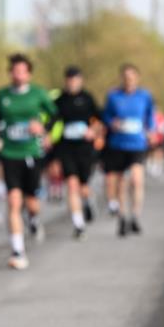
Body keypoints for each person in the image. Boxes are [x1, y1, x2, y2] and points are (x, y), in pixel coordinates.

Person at [0, 53, 57, 269]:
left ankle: (34, 218)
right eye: (15, 71)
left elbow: (55, 115)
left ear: (29, 74)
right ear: (10, 73)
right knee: (13, 201)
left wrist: (44, 129)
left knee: (31, 201)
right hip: (9, 153)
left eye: (22, 71)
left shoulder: (38, 94)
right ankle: (18, 251)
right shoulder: (2, 95)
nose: (18, 75)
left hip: (31, 152)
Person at [102, 63, 155, 237]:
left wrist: (151, 131)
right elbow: (106, 115)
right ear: (122, 79)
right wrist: (112, 123)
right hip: (118, 144)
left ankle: (135, 216)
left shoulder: (145, 96)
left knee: (137, 180)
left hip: (137, 144)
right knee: (121, 183)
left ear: (137, 78)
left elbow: (150, 116)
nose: (129, 80)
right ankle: (122, 217)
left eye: (132, 77)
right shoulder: (113, 96)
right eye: (126, 77)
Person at [54, 66, 101, 240]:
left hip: (85, 148)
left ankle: (88, 201)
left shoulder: (87, 98)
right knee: (71, 185)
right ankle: (78, 224)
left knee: (84, 187)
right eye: (69, 80)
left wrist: (92, 131)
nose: (72, 83)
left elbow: (98, 120)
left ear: (80, 80)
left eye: (75, 80)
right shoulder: (59, 100)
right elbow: (53, 122)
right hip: (66, 148)